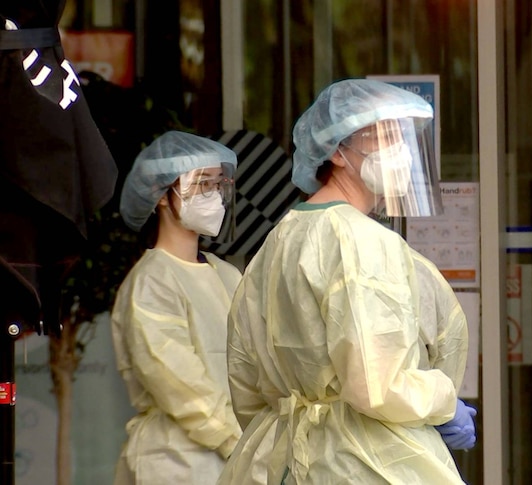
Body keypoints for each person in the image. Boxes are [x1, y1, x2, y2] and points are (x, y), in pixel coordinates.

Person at [218, 78, 476, 485]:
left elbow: (245, 380)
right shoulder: (361, 240)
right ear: (337, 150)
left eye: (404, 138)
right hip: (366, 463)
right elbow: (377, 383)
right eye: (388, 137)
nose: (402, 153)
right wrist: (442, 401)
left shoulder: (277, 240)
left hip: (280, 461)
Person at [110, 130, 243, 484]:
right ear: (161, 197)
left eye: (218, 185)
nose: (213, 197)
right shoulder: (152, 282)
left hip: (236, 457)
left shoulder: (226, 274)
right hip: (176, 462)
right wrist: (241, 442)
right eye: (200, 185)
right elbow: (180, 386)